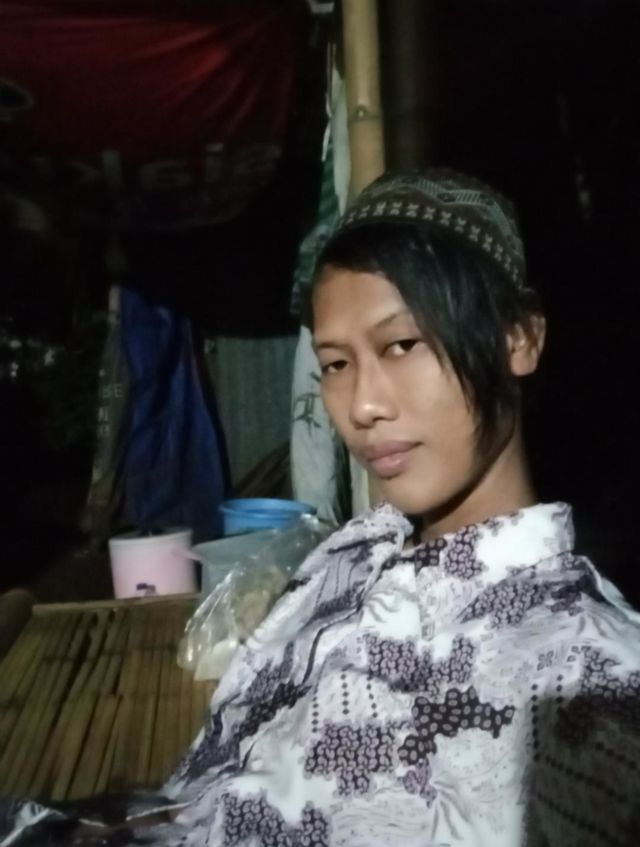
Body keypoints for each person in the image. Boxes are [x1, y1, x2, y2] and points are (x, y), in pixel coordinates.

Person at [2, 170, 640, 846]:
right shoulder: (355, 550)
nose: (362, 405)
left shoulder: (587, 675)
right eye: (336, 363)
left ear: (519, 337)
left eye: (402, 345)